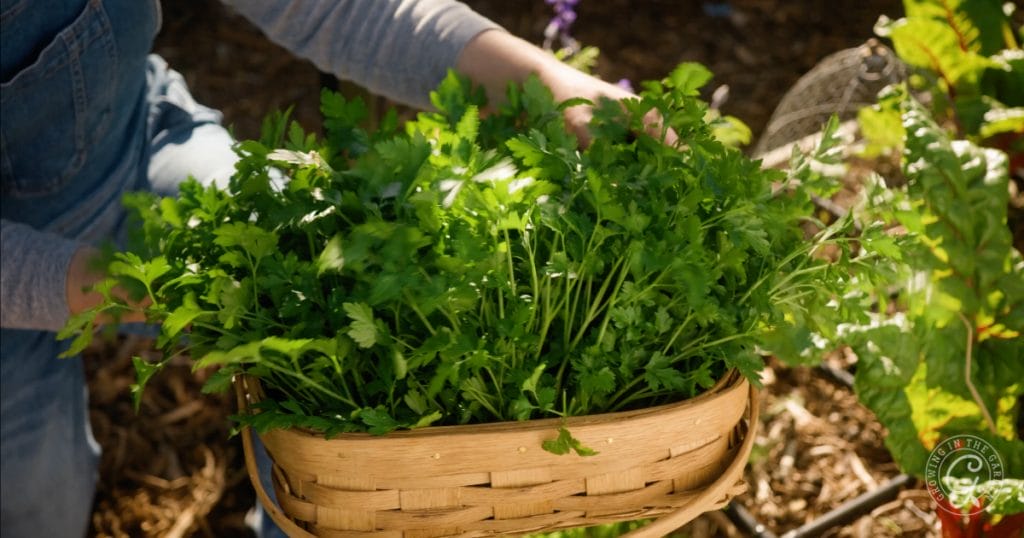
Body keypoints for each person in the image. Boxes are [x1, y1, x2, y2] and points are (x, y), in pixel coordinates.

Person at [0, 1, 640, 536]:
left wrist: (552, 89)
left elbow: (336, 6)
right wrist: (137, 290)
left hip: (128, 154)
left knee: (337, 390)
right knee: (36, 508)